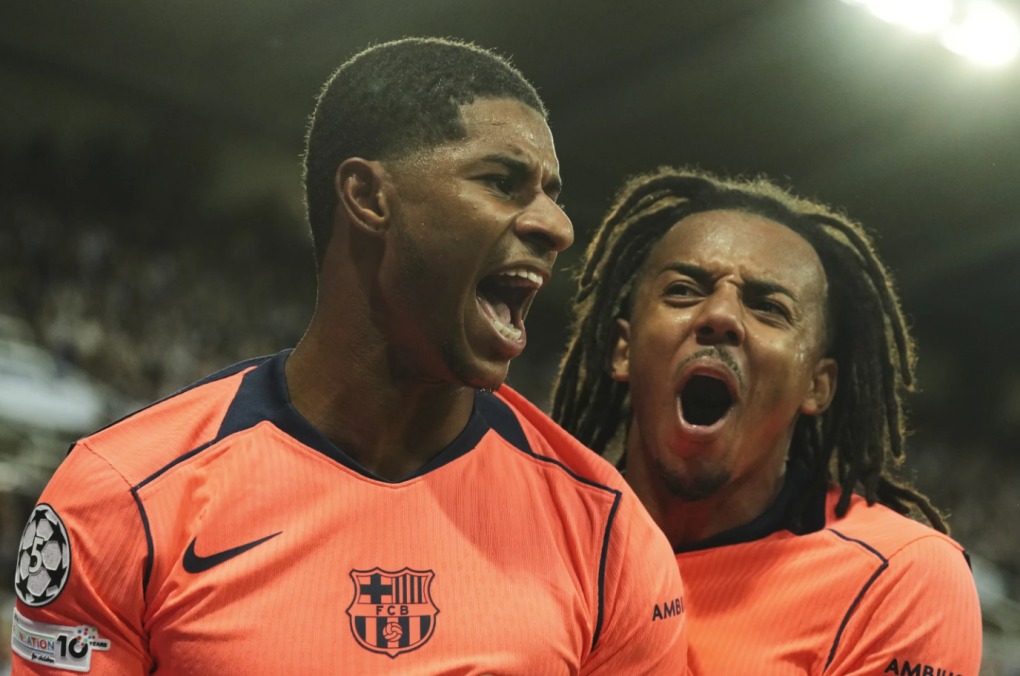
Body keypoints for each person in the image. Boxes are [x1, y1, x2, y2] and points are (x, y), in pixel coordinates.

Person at [11, 38, 688, 674]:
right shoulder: (121, 500)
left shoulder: (608, 536)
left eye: (551, 194)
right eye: (502, 181)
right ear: (367, 196)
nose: (559, 227)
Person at [552, 166, 983, 674]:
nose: (721, 316)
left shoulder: (896, 576)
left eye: (769, 308)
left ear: (817, 385)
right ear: (623, 350)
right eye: (684, 290)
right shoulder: (533, 528)